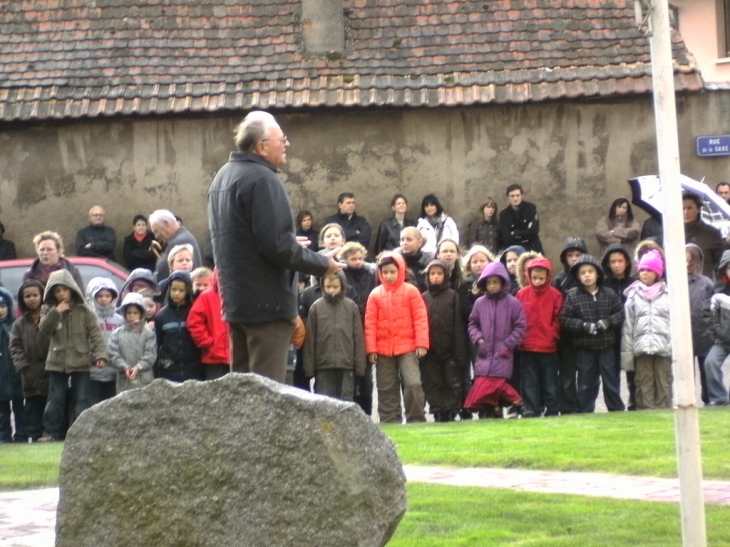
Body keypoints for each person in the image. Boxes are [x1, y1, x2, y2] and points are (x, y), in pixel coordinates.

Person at [207, 111, 338, 382]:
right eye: (282, 139)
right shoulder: (263, 179)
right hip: (267, 307)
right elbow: (276, 246)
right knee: (266, 395)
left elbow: (242, 238)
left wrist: (287, 242)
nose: (286, 144)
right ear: (262, 146)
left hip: (237, 303)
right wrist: (323, 264)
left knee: (242, 393)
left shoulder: (223, 176)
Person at [38, 269, 107, 442]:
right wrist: (56, 312)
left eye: (64, 289)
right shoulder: (48, 309)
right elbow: (45, 329)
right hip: (57, 361)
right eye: (57, 290)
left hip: (80, 359)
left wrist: (100, 354)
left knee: (81, 398)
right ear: (52, 293)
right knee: (55, 398)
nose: (61, 294)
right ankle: (50, 433)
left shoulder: (84, 310)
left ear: (72, 289)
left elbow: (96, 334)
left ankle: (81, 432)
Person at [365, 253, 429, 424]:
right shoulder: (375, 294)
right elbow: (370, 324)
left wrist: (421, 343)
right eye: (385, 272)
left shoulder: (411, 291)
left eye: (392, 271)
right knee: (386, 387)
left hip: (408, 347)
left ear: (400, 270)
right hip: (383, 349)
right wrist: (371, 349)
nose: (388, 276)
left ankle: (416, 419)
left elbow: (420, 318)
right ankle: (390, 421)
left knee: (413, 384)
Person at [559, 255, 625, 413]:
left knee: (611, 382)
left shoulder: (609, 293)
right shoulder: (573, 296)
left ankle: (616, 410)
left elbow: (620, 313)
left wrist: (607, 322)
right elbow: (564, 318)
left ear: (598, 274)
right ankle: (585, 411)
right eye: (582, 273)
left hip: (606, 346)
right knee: (586, 384)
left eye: (590, 271)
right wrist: (583, 326)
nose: (587, 275)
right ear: (577, 276)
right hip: (585, 348)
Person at [464, 261, 528, 418]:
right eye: (489, 282)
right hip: (484, 352)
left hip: (503, 352)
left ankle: (518, 403)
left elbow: (520, 327)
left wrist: (508, 345)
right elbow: (473, 324)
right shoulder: (480, 303)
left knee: (497, 383)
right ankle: (492, 410)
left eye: (496, 282)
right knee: (484, 383)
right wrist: (479, 340)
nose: (492, 285)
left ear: (503, 282)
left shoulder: (513, 303)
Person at [621, 250, 672, 410]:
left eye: (649, 270)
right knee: (644, 384)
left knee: (664, 383)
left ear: (657, 272)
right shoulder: (633, 295)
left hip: (664, 349)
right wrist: (628, 356)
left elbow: (673, 323)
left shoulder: (668, 294)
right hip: (641, 349)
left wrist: (673, 348)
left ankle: (664, 413)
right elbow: (628, 327)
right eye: (642, 270)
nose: (644, 273)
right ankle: (647, 414)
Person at [304, 270, 366, 401]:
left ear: (342, 286)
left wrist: (360, 367)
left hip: (346, 363)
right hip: (323, 364)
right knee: (325, 402)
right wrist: (309, 368)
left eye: (335, 287)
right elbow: (310, 340)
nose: (331, 290)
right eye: (328, 287)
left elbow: (358, 337)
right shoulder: (316, 307)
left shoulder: (351, 306)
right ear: (322, 286)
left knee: (346, 402)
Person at [515, 257, 563, 417]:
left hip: (548, 346)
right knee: (529, 381)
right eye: (534, 278)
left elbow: (558, 318)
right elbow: (516, 318)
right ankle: (533, 410)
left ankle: (552, 409)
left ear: (548, 277)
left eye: (541, 278)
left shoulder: (555, 295)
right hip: (527, 346)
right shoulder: (522, 294)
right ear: (528, 276)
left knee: (550, 382)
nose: (537, 281)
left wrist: (552, 333)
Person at [421, 260, 465, 422]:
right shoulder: (423, 297)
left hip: (449, 349)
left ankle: (452, 410)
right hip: (431, 349)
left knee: (452, 381)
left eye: (439, 274)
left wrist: (459, 352)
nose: (436, 277)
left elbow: (458, 325)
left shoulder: (453, 296)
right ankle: (437, 409)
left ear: (446, 276)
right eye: (432, 274)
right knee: (433, 382)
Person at [338, 241, 377, 415]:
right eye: (353, 259)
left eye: (360, 258)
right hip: (347, 326)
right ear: (345, 259)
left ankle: (366, 412)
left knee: (365, 375)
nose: (358, 261)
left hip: (366, 326)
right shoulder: (340, 275)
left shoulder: (371, 274)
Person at [10, 280, 50, 443]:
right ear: (22, 299)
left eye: (35, 295)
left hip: (50, 368)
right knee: (33, 405)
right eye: (27, 296)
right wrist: (22, 365)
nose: (32, 299)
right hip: (29, 372)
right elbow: (15, 346)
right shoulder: (19, 324)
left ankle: (51, 432)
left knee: (51, 402)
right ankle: (34, 434)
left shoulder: (50, 318)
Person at [457, 245, 494, 419]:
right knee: (476, 370)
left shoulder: (495, 282)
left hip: (494, 334)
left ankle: (489, 407)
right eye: (475, 261)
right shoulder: (465, 285)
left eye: (482, 261)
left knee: (489, 372)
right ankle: (472, 406)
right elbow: (466, 309)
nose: (479, 264)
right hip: (473, 334)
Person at [602, 243, 637, 410]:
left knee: (633, 370)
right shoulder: (604, 285)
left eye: (620, 261)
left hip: (631, 333)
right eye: (613, 261)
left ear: (627, 262)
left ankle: (634, 402)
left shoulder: (634, 283)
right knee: (611, 373)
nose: (616, 265)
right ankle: (614, 406)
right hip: (611, 335)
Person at [154, 271, 202, 382]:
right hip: (169, 370)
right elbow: (157, 344)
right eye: (174, 289)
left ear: (188, 291)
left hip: (194, 369)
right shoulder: (161, 316)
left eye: (181, 290)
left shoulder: (195, 311)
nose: (176, 293)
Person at [107, 292, 157, 393]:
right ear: (124, 313)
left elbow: (150, 354)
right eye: (129, 313)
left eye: (135, 313)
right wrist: (124, 367)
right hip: (124, 381)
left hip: (144, 380)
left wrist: (138, 367)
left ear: (142, 314)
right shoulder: (117, 334)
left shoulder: (148, 334)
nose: (132, 316)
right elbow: (112, 353)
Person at [86, 277, 123, 405]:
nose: (103, 299)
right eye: (100, 296)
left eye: (107, 296)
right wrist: (91, 356)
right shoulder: (88, 318)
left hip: (113, 373)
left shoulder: (119, 320)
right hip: (92, 372)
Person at [188, 270, 230, 381]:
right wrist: (207, 343)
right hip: (213, 358)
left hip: (237, 357)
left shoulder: (240, 295)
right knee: (214, 393)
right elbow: (194, 322)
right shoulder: (206, 297)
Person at [685, 244, 714, 405]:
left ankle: (708, 399)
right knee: (687, 373)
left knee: (706, 370)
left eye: (692, 260)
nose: (688, 264)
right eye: (685, 260)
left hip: (705, 336)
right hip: (685, 337)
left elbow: (714, 309)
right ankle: (688, 400)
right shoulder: (675, 283)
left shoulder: (707, 283)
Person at [703, 249, 730, 406]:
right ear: (724, 271)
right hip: (722, 340)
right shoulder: (717, 292)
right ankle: (719, 398)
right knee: (710, 362)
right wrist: (717, 331)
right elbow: (708, 314)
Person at [0, 286, 25, 443]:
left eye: (2, 306)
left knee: (19, 409)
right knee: (2, 411)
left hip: (16, 374)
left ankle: (21, 435)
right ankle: (4, 437)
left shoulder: (15, 326)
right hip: (1, 377)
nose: (0, 310)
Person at [149, 209, 202, 280]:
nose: (156, 236)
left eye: (156, 231)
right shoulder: (184, 236)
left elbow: (162, 273)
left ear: (166, 223)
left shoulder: (178, 242)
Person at [683, 192, 725, 278]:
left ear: (698, 209)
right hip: (678, 285)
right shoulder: (671, 233)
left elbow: (723, 263)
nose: (686, 212)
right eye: (682, 208)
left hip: (703, 286)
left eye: (689, 208)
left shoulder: (711, 234)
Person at [498, 184, 543, 253]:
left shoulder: (530, 208)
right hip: (514, 251)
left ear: (522, 195)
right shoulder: (504, 214)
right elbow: (506, 238)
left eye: (517, 195)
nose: (515, 198)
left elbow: (534, 231)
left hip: (532, 249)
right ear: (508, 197)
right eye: (512, 196)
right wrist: (526, 231)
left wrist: (514, 233)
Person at [396, 226, 432, 292]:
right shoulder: (395, 262)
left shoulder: (429, 262)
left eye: (409, 239)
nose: (404, 243)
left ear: (420, 242)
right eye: (402, 240)